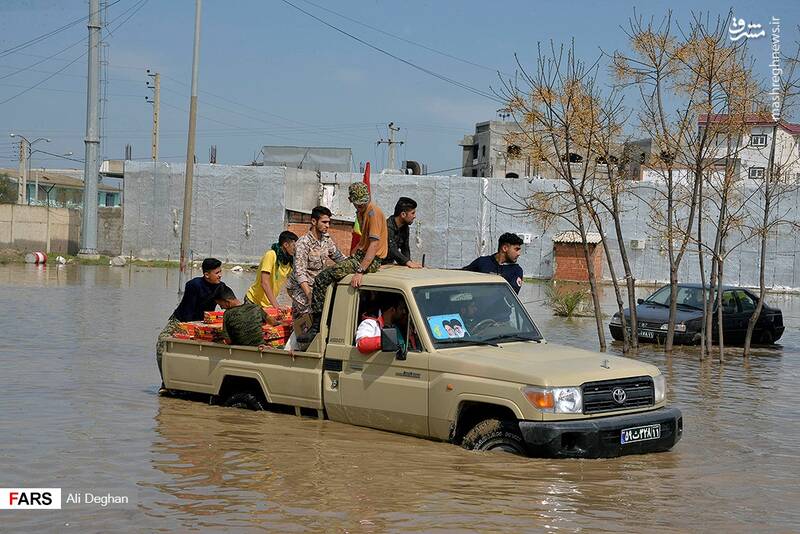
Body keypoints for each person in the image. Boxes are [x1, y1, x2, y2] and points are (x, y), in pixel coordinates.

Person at [303, 183, 388, 337]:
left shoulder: (372, 213)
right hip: (362, 256)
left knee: (322, 278)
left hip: (371, 259)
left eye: (363, 203)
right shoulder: (361, 212)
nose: (360, 206)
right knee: (332, 278)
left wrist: (360, 270)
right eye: (358, 204)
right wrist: (353, 258)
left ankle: (317, 325)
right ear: (352, 200)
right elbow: (363, 241)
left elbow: (374, 244)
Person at [156, 258, 232, 393]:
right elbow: (188, 313)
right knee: (162, 343)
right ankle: (166, 382)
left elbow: (232, 303)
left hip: (204, 324)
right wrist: (190, 333)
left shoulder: (220, 286)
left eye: (220, 272)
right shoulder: (194, 285)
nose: (220, 275)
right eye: (217, 272)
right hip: (181, 321)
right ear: (207, 274)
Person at [286, 206, 346, 320]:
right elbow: (300, 273)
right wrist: (309, 295)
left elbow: (340, 258)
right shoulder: (303, 243)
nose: (327, 225)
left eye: (329, 222)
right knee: (310, 320)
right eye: (324, 222)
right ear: (313, 221)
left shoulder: (326, 240)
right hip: (301, 289)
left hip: (317, 287)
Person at [245, 230, 298, 308]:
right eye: (294, 245)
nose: (296, 248)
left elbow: (293, 284)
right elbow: (264, 283)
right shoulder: (271, 255)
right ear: (286, 244)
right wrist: (276, 306)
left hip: (268, 305)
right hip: (253, 302)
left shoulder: (288, 262)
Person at [385, 197, 422, 268]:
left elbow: (405, 248)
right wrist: (407, 262)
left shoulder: (405, 227)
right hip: (378, 264)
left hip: (389, 264)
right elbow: (392, 249)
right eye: (412, 213)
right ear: (403, 214)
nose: (414, 216)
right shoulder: (387, 226)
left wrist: (408, 261)